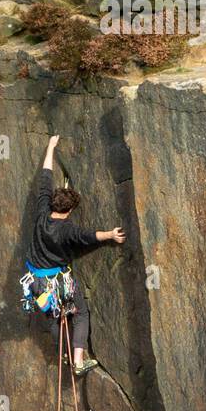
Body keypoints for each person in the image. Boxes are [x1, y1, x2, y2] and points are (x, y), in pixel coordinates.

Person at [28, 134, 125, 376]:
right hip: (59, 281)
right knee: (80, 313)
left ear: (52, 204)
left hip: (36, 281)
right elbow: (90, 236)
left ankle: (63, 352)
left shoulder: (41, 212)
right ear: (70, 210)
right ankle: (79, 361)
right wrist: (112, 234)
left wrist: (50, 146)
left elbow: (45, 177)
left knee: (53, 318)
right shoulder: (68, 230)